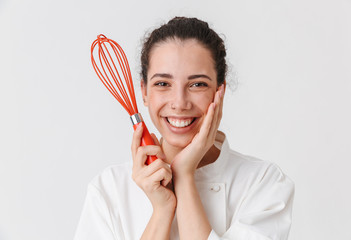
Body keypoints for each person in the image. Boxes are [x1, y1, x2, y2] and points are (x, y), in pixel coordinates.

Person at [74, 17, 294, 240]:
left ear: (220, 92)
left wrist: (184, 176)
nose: (179, 103)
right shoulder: (109, 189)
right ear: (144, 91)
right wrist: (162, 210)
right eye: (162, 84)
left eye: (197, 84)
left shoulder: (262, 183)